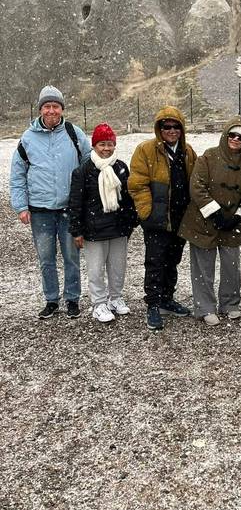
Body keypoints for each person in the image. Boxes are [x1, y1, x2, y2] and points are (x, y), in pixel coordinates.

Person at [10, 85, 91, 319]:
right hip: (40, 211)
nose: (51, 111)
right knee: (46, 259)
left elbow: (88, 164)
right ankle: (51, 300)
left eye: (55, 106)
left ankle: (72, 299)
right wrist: (21, 206)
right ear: (40, 110)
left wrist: (86, 200)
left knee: (71, 258)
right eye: (47, 106)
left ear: (62, 109)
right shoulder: (27, 138)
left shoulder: (74, 133)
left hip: (69, 209)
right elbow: (17, 175)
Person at [179, 118, 241, 326]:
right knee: (203, 266)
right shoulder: (209, 156)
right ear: (225, 135)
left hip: (232, 223)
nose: (236, 139)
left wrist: (238, 215)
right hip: (203, 220)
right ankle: (205, 307)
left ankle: (230, 303)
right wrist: (215, 212)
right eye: (233, 135)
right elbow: (197, 186)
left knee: (231, 265)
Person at [128, 106, 196, 330]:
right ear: (159, 128)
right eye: (166, 126)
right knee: (155, 262)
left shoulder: (188, 152)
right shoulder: (146, 150)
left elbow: (194, 182)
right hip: (157, 219)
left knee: (173, 260)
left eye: (176, 126)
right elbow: (137, 184)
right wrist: (147, 212)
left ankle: (167, 298)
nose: (171, 130)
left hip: (179, 218)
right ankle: (153, 305)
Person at [68, 123, 138, 323]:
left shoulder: (121, 167)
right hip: (93, 229)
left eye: (110, 144)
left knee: (118, 267)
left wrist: (131, 222)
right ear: (94, 145)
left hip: (118, 227)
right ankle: (99, 303)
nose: (106, 148)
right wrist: (76, 231)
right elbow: (75, 203)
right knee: (96, 269)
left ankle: (115, 297)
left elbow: (128, 198)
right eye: (102, 144)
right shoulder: (82, 171)